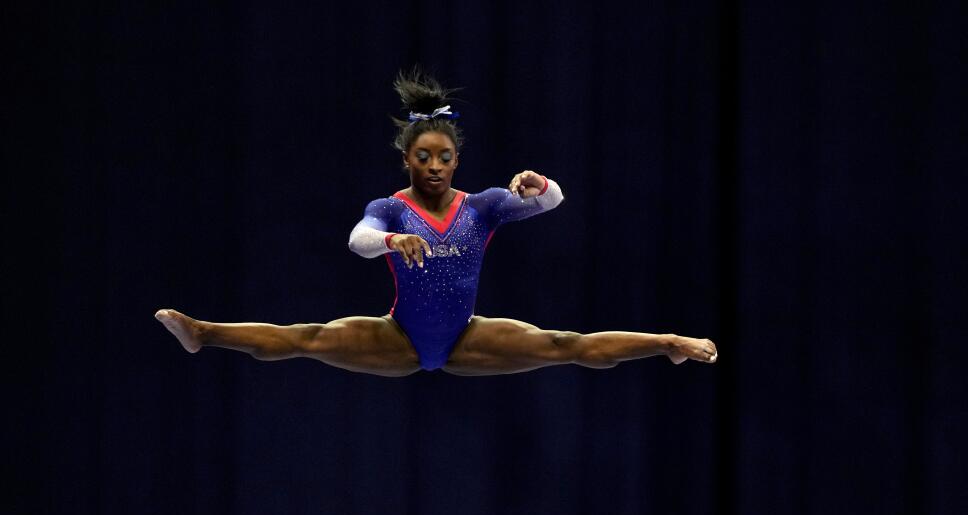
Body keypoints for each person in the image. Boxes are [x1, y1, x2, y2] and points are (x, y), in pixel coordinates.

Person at [155, 70, 717, 377]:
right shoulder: (393, 207)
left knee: (562, 343)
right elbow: (358, 241)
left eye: (443, 157)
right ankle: (204, 335)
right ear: (407, 161)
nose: (433, 167)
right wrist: (395, 239)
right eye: (422, 157)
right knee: (307, 338)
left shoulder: (485, 205)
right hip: (398, 337)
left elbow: (554, 203)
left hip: (468, 338)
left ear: (456, 160)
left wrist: (538, 185)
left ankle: (666, 342)